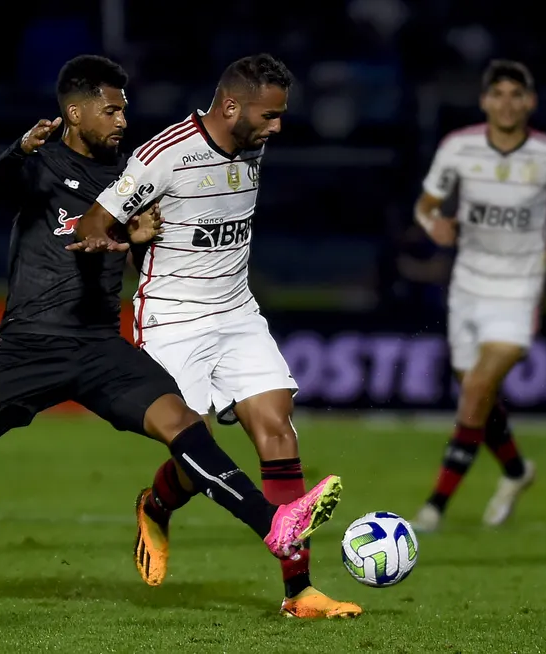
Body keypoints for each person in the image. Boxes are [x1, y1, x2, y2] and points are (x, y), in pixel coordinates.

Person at [0, 55, 343, 604]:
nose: (122, 120)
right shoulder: (42, 166)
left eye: (124, 110)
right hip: (28, 349)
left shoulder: (131, 175)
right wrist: (17, 151)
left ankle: (272, 526)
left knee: (183, 426)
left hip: (99, 345)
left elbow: (148, 251)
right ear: (75, 113)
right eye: (110, 110)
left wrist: (137, 238)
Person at [69, 53, 361, 619]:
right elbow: (91, 226)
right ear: (232, 105)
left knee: (278, 430)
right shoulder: (164, 156)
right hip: (173, 318)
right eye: (270, 116)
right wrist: (128, 239)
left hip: (237, 311)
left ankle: (298, 592)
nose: (278, 127)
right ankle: (156, 504)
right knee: (195, 451)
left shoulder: (252, 144)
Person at [410, 60, 546, 532]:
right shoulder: (459, 148)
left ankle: (434, 507)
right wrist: (435, 224)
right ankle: (516, 471)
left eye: (517, 94)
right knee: (479, 397)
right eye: (499, 94)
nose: (507, 102)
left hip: (518, 290)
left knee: (474, 390)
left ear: (530, 102)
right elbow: (426, 205)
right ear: (485, 101)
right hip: (467, 286)